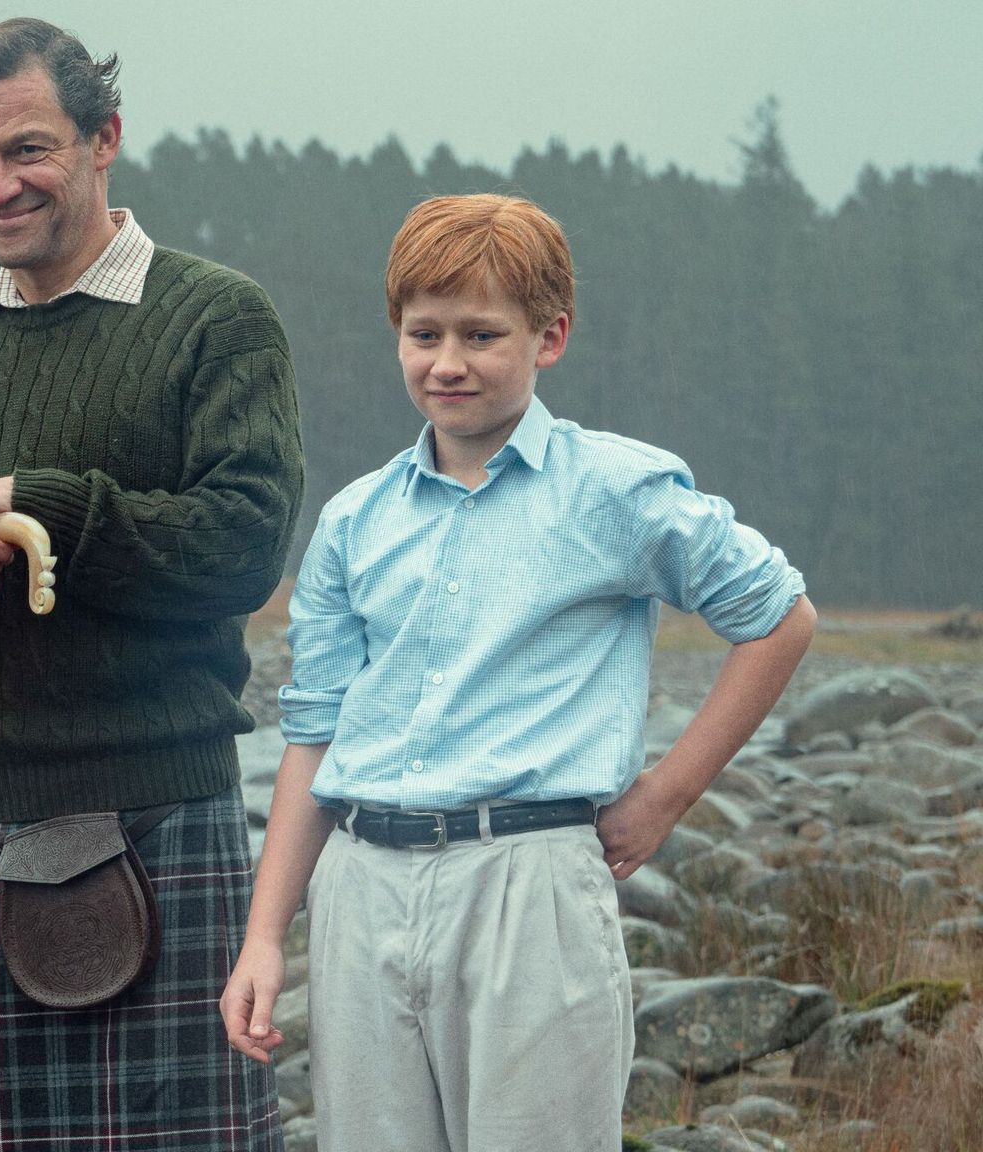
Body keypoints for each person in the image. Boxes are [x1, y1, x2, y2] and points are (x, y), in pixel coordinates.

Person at [222, 192, 817, 1150]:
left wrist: (665, 796)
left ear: (550, 337)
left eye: (481, 334)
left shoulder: (616, 490)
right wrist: (264, 936)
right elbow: (315, 733)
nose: (447, 362)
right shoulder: (353, 520)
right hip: (361, 885)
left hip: (528, 884)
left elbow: (781, 616)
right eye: (423, 333)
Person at [0, 17, 301, 1151]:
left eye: (26, 149)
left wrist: (36, 503)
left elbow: (242, 548)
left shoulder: (214, 321)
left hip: (155, 823)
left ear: (104, 138)